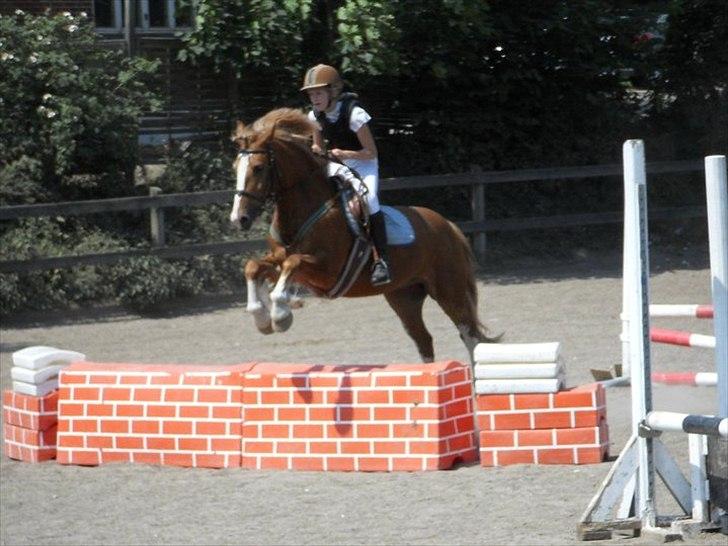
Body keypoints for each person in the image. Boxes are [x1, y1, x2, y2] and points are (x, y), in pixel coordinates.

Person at [300, 64, 391, 287]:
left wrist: (344, 153)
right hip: (336, 163)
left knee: (369, 200)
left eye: (319, 93)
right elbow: (318, 148)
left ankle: (382, 261)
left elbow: (371, 152)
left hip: (364, 163)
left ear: (333, 91)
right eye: (311, 94)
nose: (315, 98)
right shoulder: (314, 115)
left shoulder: (354, 113)